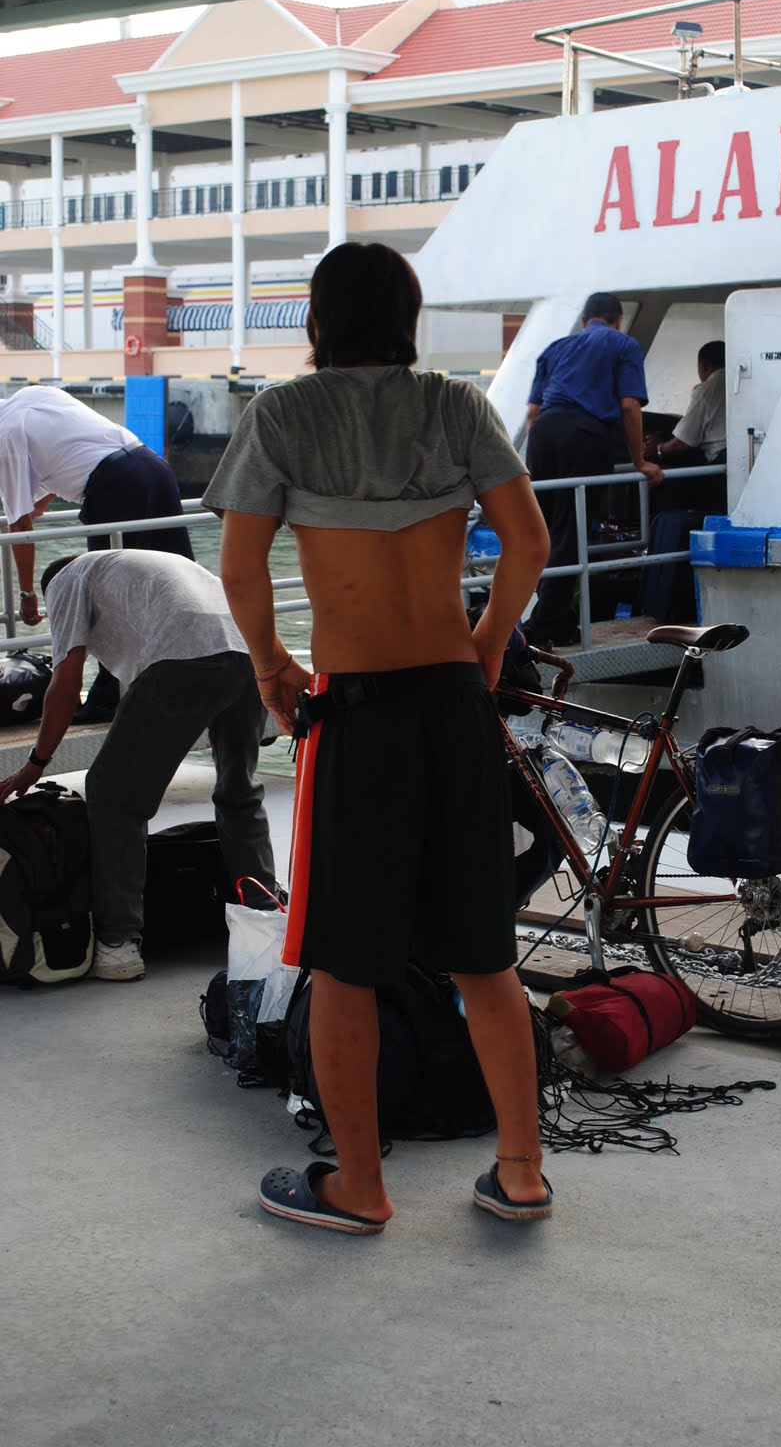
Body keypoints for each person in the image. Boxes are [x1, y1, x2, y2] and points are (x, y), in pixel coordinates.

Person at [204, 240, 553, 1235]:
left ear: (318, 321)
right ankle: (520, 1173)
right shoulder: (457, 405)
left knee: (346, 964)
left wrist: (271, 666)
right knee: (484, 954)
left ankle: (359, 1186)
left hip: (357, 713)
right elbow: (530, 541)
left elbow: (240, 568)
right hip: (454, 702)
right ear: (408, 319)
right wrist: (488, 643)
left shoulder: (282, 414)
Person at [0, 549, 277, 982]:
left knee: (113, 796)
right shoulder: (132, 570)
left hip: (185, 656)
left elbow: (66, 683)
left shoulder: (67, 580)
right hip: (250, 652)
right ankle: (265, 917)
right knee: (238, 790)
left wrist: (36, 763)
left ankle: (118, 942)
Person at [0, 386, 194, 723]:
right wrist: (38, 503)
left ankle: (107, 698)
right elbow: (71, 451)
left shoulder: (6, 435)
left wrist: (27, 595)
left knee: (103, 596)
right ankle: (205, 681)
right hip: (152, 468)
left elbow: (20, 527)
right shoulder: (32, 397)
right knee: (182, 586)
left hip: (117, 487)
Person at [524, 291, 663, 648]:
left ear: (584, 320)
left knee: (546, 530)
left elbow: (532, 414)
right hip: (584, 436)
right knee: (572, 531)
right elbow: (629, 406)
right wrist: (639, 461)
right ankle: (540, 627)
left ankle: (560, 622)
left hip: (542, 436)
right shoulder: (623, 344)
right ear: (617, 320)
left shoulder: (555, 348)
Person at [643, 340, 728, 517]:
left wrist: (657, 449)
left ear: (703, 365)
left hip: (719, 466)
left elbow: (682, 443)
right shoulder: (737, 382)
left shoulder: (707, 389)